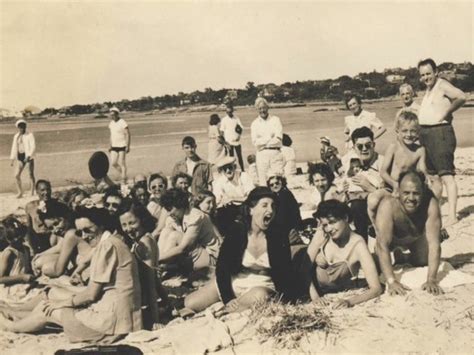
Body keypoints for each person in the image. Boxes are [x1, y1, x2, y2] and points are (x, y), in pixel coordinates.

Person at [0, 207, 143, 342]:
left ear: (101, 225)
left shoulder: (107, 246)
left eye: (88, 230)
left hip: (110, 323)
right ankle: (18, 315)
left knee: (48, 310)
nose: (85, 236)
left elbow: (90, 295)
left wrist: (61, 303)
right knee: (52, 303)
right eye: (80, 232)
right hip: (120, 316)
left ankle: (11, 326)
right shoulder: (113, 241)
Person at [184, 187, 300, 314]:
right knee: (190, 303)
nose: (270, 210)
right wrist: (228, 298)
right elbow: (222, 268)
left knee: (259, 295)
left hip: (263, 286)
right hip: (236, 281)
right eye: (264, 205)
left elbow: (286, 272)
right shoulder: (237, 231)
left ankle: (225, 311)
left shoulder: (278, 236)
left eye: (273, 206)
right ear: (251, 209)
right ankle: (234, 306)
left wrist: (288, 300)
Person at [375, 170, 443, 296]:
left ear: (423, 192)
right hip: (391, 241)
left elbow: (434, 243)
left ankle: (403, 257)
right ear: (398, 192)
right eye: (406, 193)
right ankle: (397, 254)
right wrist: (391, 281)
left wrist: (431, 279)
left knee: (422, 262)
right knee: (378, 266)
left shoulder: (430, 204)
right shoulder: (388, 205)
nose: (411, 198)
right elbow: (382, 244)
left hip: (414, 237)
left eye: (416, 193)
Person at [304, 200, 382, 308]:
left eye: (332, 222)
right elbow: (303, 269)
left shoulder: (358, 244)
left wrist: (349, 302)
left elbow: (376, 288)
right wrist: (315, 297)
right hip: (305, 280)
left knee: (376, 261)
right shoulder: (322, 234)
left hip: (331, 291)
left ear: (345, 218)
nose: (329, 229)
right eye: (325, 225)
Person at [417, 58, 467, 226]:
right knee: (434, 178)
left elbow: (461, 97)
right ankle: (435, 212)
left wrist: (447, 111)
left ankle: (453, 216)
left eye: (428, 73)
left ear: (436, 72)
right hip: (426, 134)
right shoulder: (429, 89)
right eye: (423, 75)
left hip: (440, 134)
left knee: (447, 176)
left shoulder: (442, 84)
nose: (426, 77)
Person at [367, 111, 428, 230]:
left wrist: (428, 179)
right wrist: (395, 185)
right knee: (372, 200)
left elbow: (423, 171)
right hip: (391, 186)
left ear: (418, 132)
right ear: (397, 131)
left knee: (430, 196)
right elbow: (383, 172)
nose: (409, 134)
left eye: (413, 131)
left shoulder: (420, 150)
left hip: (408, 189)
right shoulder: (393, 147)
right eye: (405, 131)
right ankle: (376, 228)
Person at [118, 201, 169, 329]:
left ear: (142, 219)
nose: (128, 229)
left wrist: (155, 320)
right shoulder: (144, 239)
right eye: (124, 225)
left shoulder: (144, 243)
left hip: (141, 299)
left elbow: (151, 284)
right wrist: (168, 302)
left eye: (132, 223)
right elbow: (156, 281)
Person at [158, 188, 222, 272]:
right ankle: (157, 269)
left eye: (170, 208)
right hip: (194, 256)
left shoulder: (195, 215)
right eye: (167, 209)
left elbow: (183, 248)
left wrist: (157, 260)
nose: (169, 213)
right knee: (165, 231)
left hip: (210, 258)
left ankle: (157, 269)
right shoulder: (174, 217)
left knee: (175, 236)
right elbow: (165, 236)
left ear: (180, 205)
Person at [340, 127, 384, 240]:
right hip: (356, 211)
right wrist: (345, 192)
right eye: (360, 146)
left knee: (357, 206)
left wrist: (369, 187)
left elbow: (392, 196)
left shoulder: (383, 163)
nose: (364, 149)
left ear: (374, 144)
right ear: (354, 147)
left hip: (381, 210)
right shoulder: (350, 163)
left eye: (368, 145)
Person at [33, 200, 92, 280]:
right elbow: (60, 247)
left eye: (56, 224)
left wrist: (43, 272)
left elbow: (58, 271)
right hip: (87, 270)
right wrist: (40, 254)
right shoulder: (72, 229)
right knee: (39, 261)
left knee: (46, 268)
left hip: (89, 274)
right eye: (51, 228)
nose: (55, 230)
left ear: (66, 217)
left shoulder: (71, 234)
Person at [0, 217, 36, 303]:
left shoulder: (26, 249)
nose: (16, 240)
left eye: (18, 236)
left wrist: (33, 273)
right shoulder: (9, 252)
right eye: (12, 238)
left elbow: (27, 268)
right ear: (6, 239)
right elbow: (1, 278)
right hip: (13, 287)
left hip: (25, 283)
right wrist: (21, 278)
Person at [212, 156, 255, 229]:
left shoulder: (244, 176)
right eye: (225, 169)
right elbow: (216, 199)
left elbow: (251, 197)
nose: (228, 170)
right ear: (222, 171)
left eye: (230, 167)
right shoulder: (220, 181)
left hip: (246, 206)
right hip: (232, 208)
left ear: (234, 167)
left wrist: (232, 199)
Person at [250, 98, 285, 186]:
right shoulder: (254, 124)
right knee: (264, 181)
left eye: (264, 108)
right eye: (260, 108)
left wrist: (262, 141)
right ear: (257, 109)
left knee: (278, 180)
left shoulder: (275, 120)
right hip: (262, 155)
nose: (262, 110)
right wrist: (270, 137)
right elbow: (255, 143)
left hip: (275, 153)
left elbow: (279, 139)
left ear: (267, 107)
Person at [266, 171, 302, 244]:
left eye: (277, 183)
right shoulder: (271, 198)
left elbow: (295, 212)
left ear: (281, 182)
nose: (275, 186)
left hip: (290, 228)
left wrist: (296, 228)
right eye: (271, 185)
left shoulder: (287, 194)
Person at [25, 180, 54, 254]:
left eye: (48, 189)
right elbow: (29, 228)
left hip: (52, 239)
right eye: (42, 190)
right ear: (37, 192)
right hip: (38, 240)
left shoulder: (56, 205)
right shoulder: (30, 206)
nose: (46, 192)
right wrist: (32, 247)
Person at [10, 119, 36, 198]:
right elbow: (14, 147)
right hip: (20, 157)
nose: (22, 128)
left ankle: (32, 192)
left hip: (28, 157)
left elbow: (33, 146)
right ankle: (20, 192)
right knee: (16, 175)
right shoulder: (16, 136)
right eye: (20, 126)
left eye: (23, 126)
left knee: (30, 174)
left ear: (25, 126)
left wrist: (29, 156)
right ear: (18, 127)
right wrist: (12, 159)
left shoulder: (30, 135)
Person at [220, 103, 244, 171]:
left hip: (237, 141)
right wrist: (224, 143)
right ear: (226, 112)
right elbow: (221, 131)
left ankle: (243, 170)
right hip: (229, 142)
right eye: (227, 112)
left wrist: (239, 136)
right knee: (231, 158)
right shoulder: (224, 120)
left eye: (230, 112)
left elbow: (241, 128)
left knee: (240, 157)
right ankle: (232, 170)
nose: (229, 113)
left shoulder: (236, 118)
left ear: (232, 111)